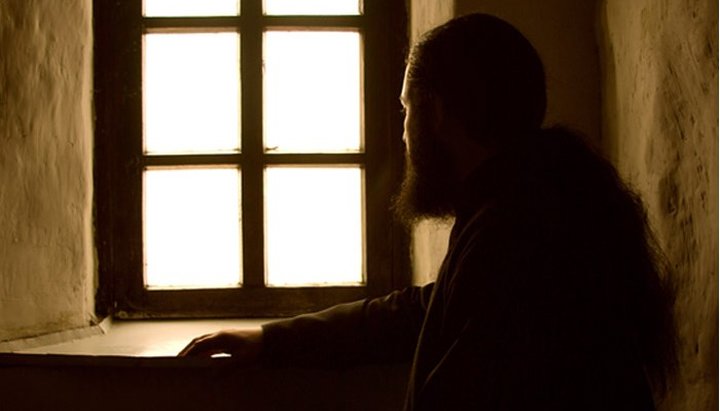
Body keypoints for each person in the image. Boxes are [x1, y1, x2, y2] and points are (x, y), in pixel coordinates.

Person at [179, 13, 677, 410]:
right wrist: (274, 339)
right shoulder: (535, 201)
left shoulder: (514, 235)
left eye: (406, 110)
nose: (403, 132)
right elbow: (424, 311)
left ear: (435, 111)